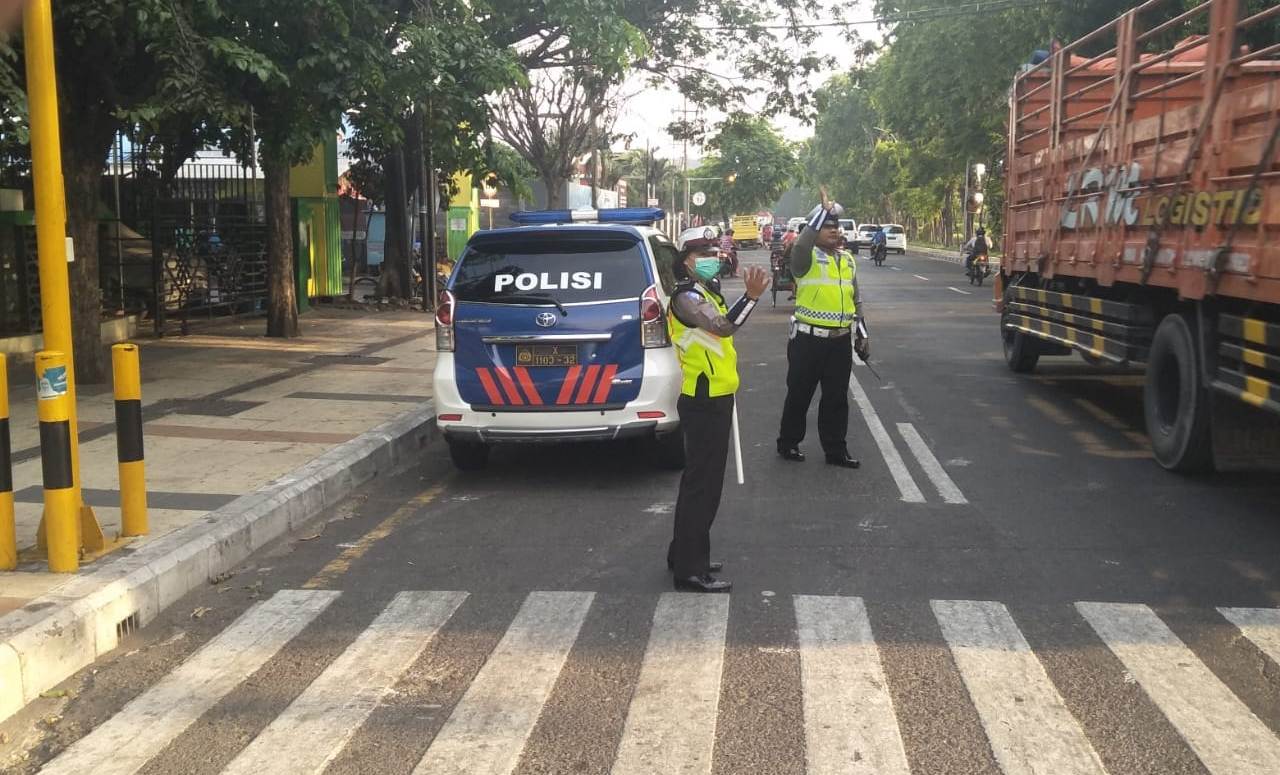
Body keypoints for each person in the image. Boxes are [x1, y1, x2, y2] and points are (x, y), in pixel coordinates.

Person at [667, 226, 770, 593]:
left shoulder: (703, 291)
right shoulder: (686, 297)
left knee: (699, 483)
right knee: (703, 487)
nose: (711, 259)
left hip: (715, 396)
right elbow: (722, 328)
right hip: (704, 399)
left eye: (713, 252)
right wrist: (751, 297)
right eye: (702, 254)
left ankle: (683, 554)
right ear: (685, 261)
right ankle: (689, 571)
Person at [777, 188, 867, 468]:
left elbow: (855, 299)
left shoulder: (847, 260)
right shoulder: (805, 257)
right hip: (808, 340)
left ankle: (836, 450)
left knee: (837, 399)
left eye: (835, 226)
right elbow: (802, 244)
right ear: (814, 230)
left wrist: (862, 334)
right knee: (799, 394)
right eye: (827, 226)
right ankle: (788, 443)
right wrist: (821, 214)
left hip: (839, 341)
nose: (834, 231)